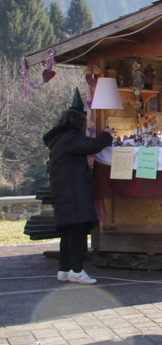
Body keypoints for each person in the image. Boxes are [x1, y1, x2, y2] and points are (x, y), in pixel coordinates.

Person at [43, 88, 115, 284]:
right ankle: (76, 270)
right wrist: (107, 135)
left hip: (63, 190)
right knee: (76, 230)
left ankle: (64, 269)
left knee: (67, 231)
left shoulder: (59, 138)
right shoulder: (70, 137)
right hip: (73, 192)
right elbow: (93, 145)